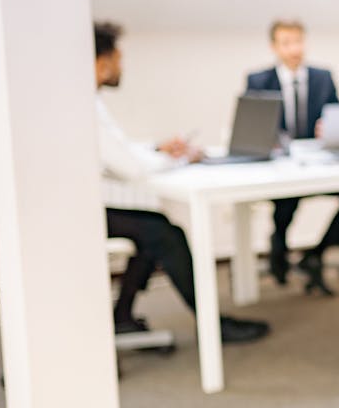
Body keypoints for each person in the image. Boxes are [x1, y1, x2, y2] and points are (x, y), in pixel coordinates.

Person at [94, 22, 270, 343]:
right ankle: (213, 326)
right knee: (164, 234)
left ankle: (122, 317)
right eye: (118, 59)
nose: (122, 66)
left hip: (80, 207)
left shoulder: (88, 102)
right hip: (81, 213)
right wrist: (179, 158)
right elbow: (129, 168)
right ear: (100, 63)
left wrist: (157, 149)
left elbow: (117, 152)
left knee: (156, 231)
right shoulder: (86, 106)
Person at [245, 19, 339, 295]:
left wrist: (329, 129)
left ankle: (316, 255)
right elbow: (252, 126)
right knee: (286, 201)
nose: (294, 48)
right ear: (275, 47)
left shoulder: (322, 77)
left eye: (298, 41)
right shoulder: (259, 80)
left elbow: (336, 119)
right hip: (279, 166)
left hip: (316, 163)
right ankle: (278, 245)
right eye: (287, 43)